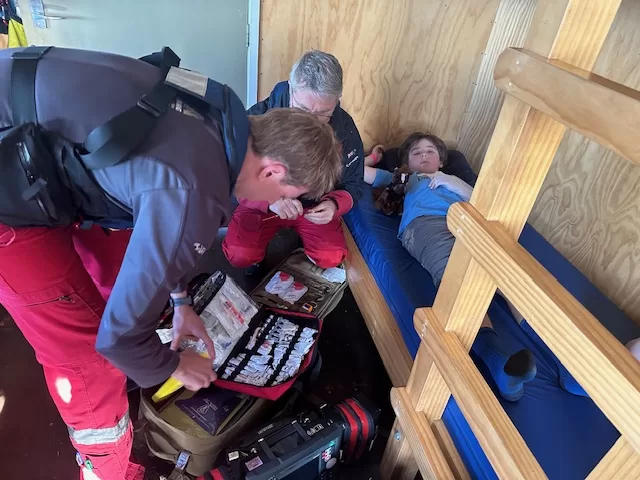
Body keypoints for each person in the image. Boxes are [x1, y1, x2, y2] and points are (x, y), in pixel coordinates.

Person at [0, 47, 342, 480]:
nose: (280, 205)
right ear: (273, 171)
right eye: (288, 195)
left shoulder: (216, 105)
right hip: (10, 181)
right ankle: (107, 471)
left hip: (35, 119)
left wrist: (181, 301)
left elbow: (163, 212)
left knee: (119, 265)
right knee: (87, 354)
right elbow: (117, 339)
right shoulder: (190, 193)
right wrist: (176, 366)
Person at [364, 133, 537, 401]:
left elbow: (482, 203)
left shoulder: (455, 183)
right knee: (460, 283)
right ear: (407, 162)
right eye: (416, 153)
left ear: (441, 161)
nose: (423, 155)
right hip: (425, 226)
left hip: (468, 222)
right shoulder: (407, 179)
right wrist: (373, 159)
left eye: (430, 151)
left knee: (509, 278)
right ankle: (501, 366)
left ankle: (554, 348)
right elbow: (364, 174)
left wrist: (453, 182)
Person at [223, 50, 365, 271]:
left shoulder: (345, 129)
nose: (312, 122)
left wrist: (334, 205)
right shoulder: (257, 119)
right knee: (240, 254)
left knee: (332, 256)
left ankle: (306, 246)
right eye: (303, 109)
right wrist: (269, 200)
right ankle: (256, 257)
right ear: (291, 89)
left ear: (337, 101)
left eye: (323, 114)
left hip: (313, 208)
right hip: (262, 205)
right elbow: (231, 177)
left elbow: (354, 182)